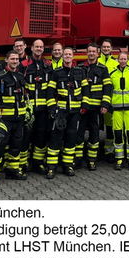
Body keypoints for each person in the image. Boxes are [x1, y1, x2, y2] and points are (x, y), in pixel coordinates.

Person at [0, 51, 28, 184]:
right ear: (6, 60)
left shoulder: (20, 76)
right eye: (12, 59)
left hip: (18, 119)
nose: (15, 61)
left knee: (16, 146)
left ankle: (12, 170)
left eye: (16, 59)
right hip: (3, 120)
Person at [45, 47, 86, 179]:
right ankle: (51, 167)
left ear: (73, 57)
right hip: (60, 112)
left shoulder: (80, 71)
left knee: (71, 139)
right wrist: (53, 109)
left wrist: (84, 105)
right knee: (55, 139)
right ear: (62, 56)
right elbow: (50, 92)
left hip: (75, 112)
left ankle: (68, 166)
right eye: (65, 54)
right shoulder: (56, 72)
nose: (67, 56)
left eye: (70, 54)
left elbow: (86, 90)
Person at [22, 39, 53, 173]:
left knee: (41, 136)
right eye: (36, 47)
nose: (39, 49)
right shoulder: (23, 65)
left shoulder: (48, 65)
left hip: (43, 109)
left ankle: (38, 163)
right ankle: (23, 163)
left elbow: (52, 87)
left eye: (41, 47)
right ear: (32, 48)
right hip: (28, 109)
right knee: (26, 136)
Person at [79, 43, 111, 170]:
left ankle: (91, 160)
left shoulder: (103, 69)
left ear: (98, 53)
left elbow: (107, 88)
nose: (91, 53)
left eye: (93, 51)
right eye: (89, 51)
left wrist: (105, 105)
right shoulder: (80, 68)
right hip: (82, 108)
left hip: (96, 109)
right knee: (79, 134)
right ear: (86, 53)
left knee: (94, 135)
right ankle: (78, 160)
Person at [109, 52, 129, 170]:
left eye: (125, 59)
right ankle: (119, 159)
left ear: (127, 60)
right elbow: (110, 90)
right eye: (121, 59)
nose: (123, 61)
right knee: (117, 134)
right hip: (116, 109)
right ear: (118, 60)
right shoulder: (112, 74)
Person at [99, 39, 119, 159]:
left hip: (111, 98)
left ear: (111, 49)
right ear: (101, 49)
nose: (106, 49)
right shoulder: (97, 61)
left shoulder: (115, 63)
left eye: (108, 47)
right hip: (97, 98)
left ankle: (110, 151)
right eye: (104, 47)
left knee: (110, 126)